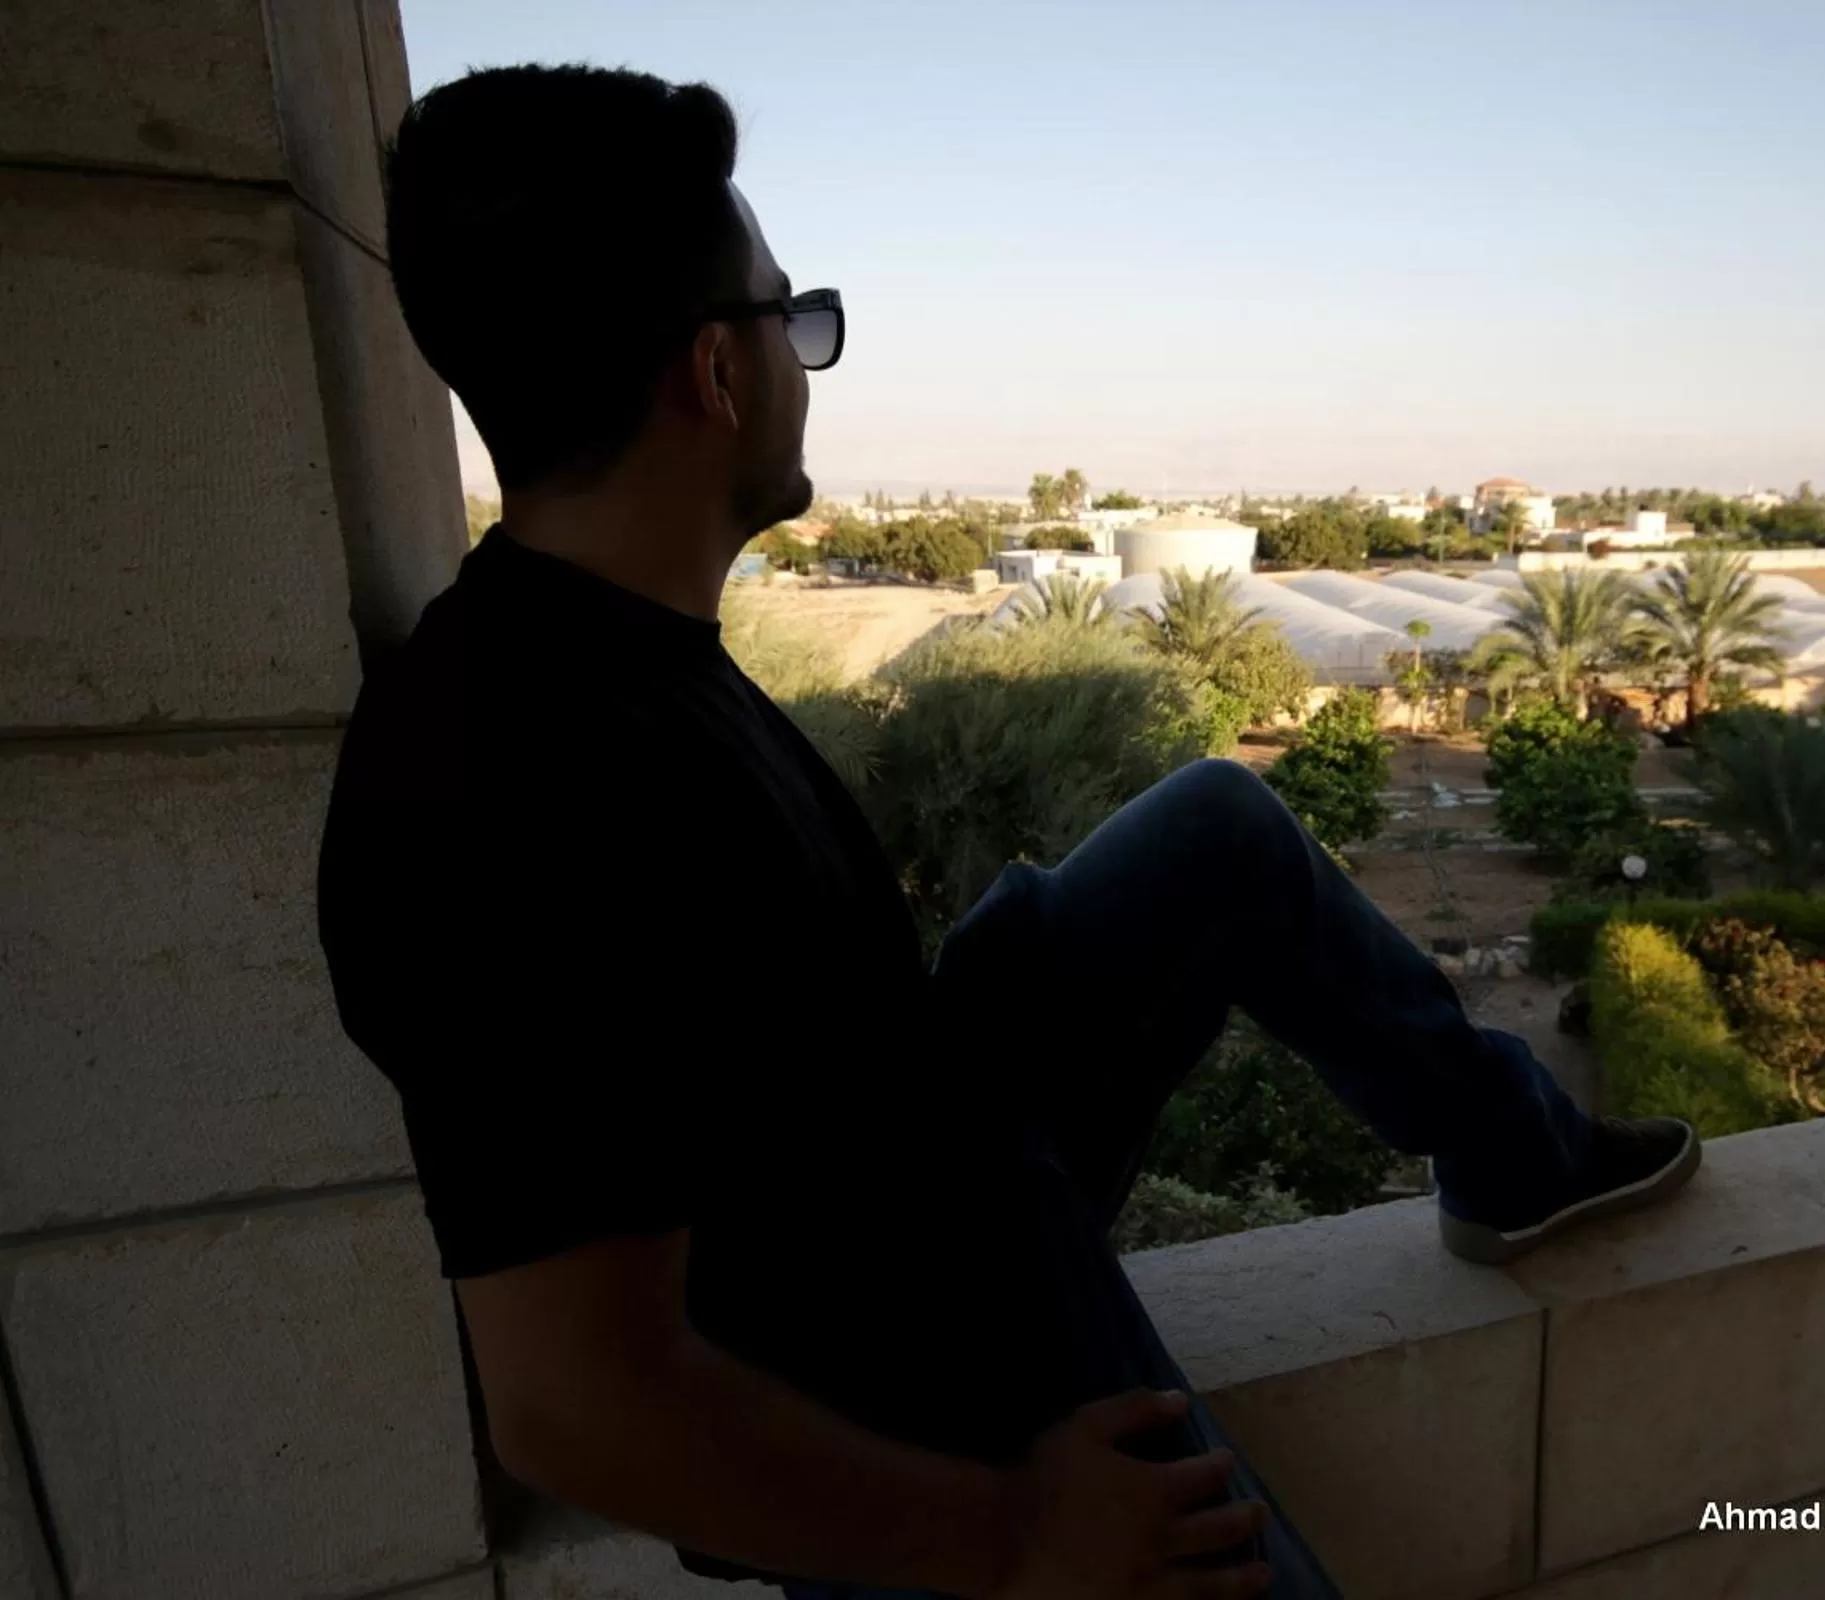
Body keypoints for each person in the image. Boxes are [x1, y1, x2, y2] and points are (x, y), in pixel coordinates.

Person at [317, 64, 1701, 1599]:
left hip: (910, 1163)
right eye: (796, 321)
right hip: (912, 1374)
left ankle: (1518, 1155)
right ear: (716, 371)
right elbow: (578, 1407)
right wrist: (1016, 1531)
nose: (807, 365)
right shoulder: (497, 786)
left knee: (1213, 830)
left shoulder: (598, 647)